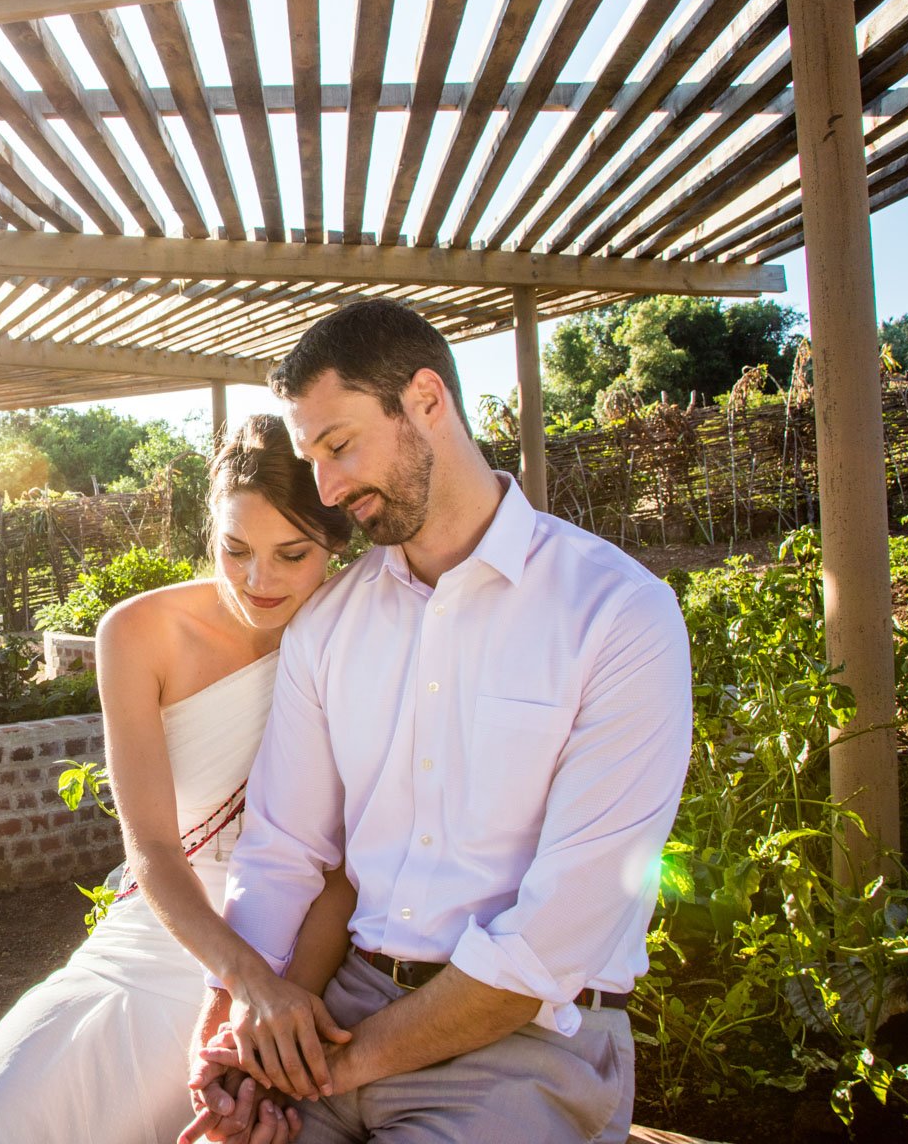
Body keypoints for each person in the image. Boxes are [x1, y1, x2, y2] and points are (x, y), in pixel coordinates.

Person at [185, 300, 693, 1144]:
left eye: (339, 446)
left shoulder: (618, 616)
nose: (329, 491)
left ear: (427, 399)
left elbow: (553, 943)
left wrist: (335, 1067)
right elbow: (283, 854)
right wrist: (239, 1032)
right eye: (314, 459)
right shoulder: (327, 628)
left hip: (526, 1043)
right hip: (339, 1010)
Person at [0, 415, 360, 1144]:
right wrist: (243, 980)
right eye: (236, 549)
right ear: (210, 531)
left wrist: (278, 1010)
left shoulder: (362, 631)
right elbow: (152, 847)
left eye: (293, 554)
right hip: (163, 937)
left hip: (300, 951)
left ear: (335, 545)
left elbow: (351, 871)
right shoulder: (137, 634)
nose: (260, 580)